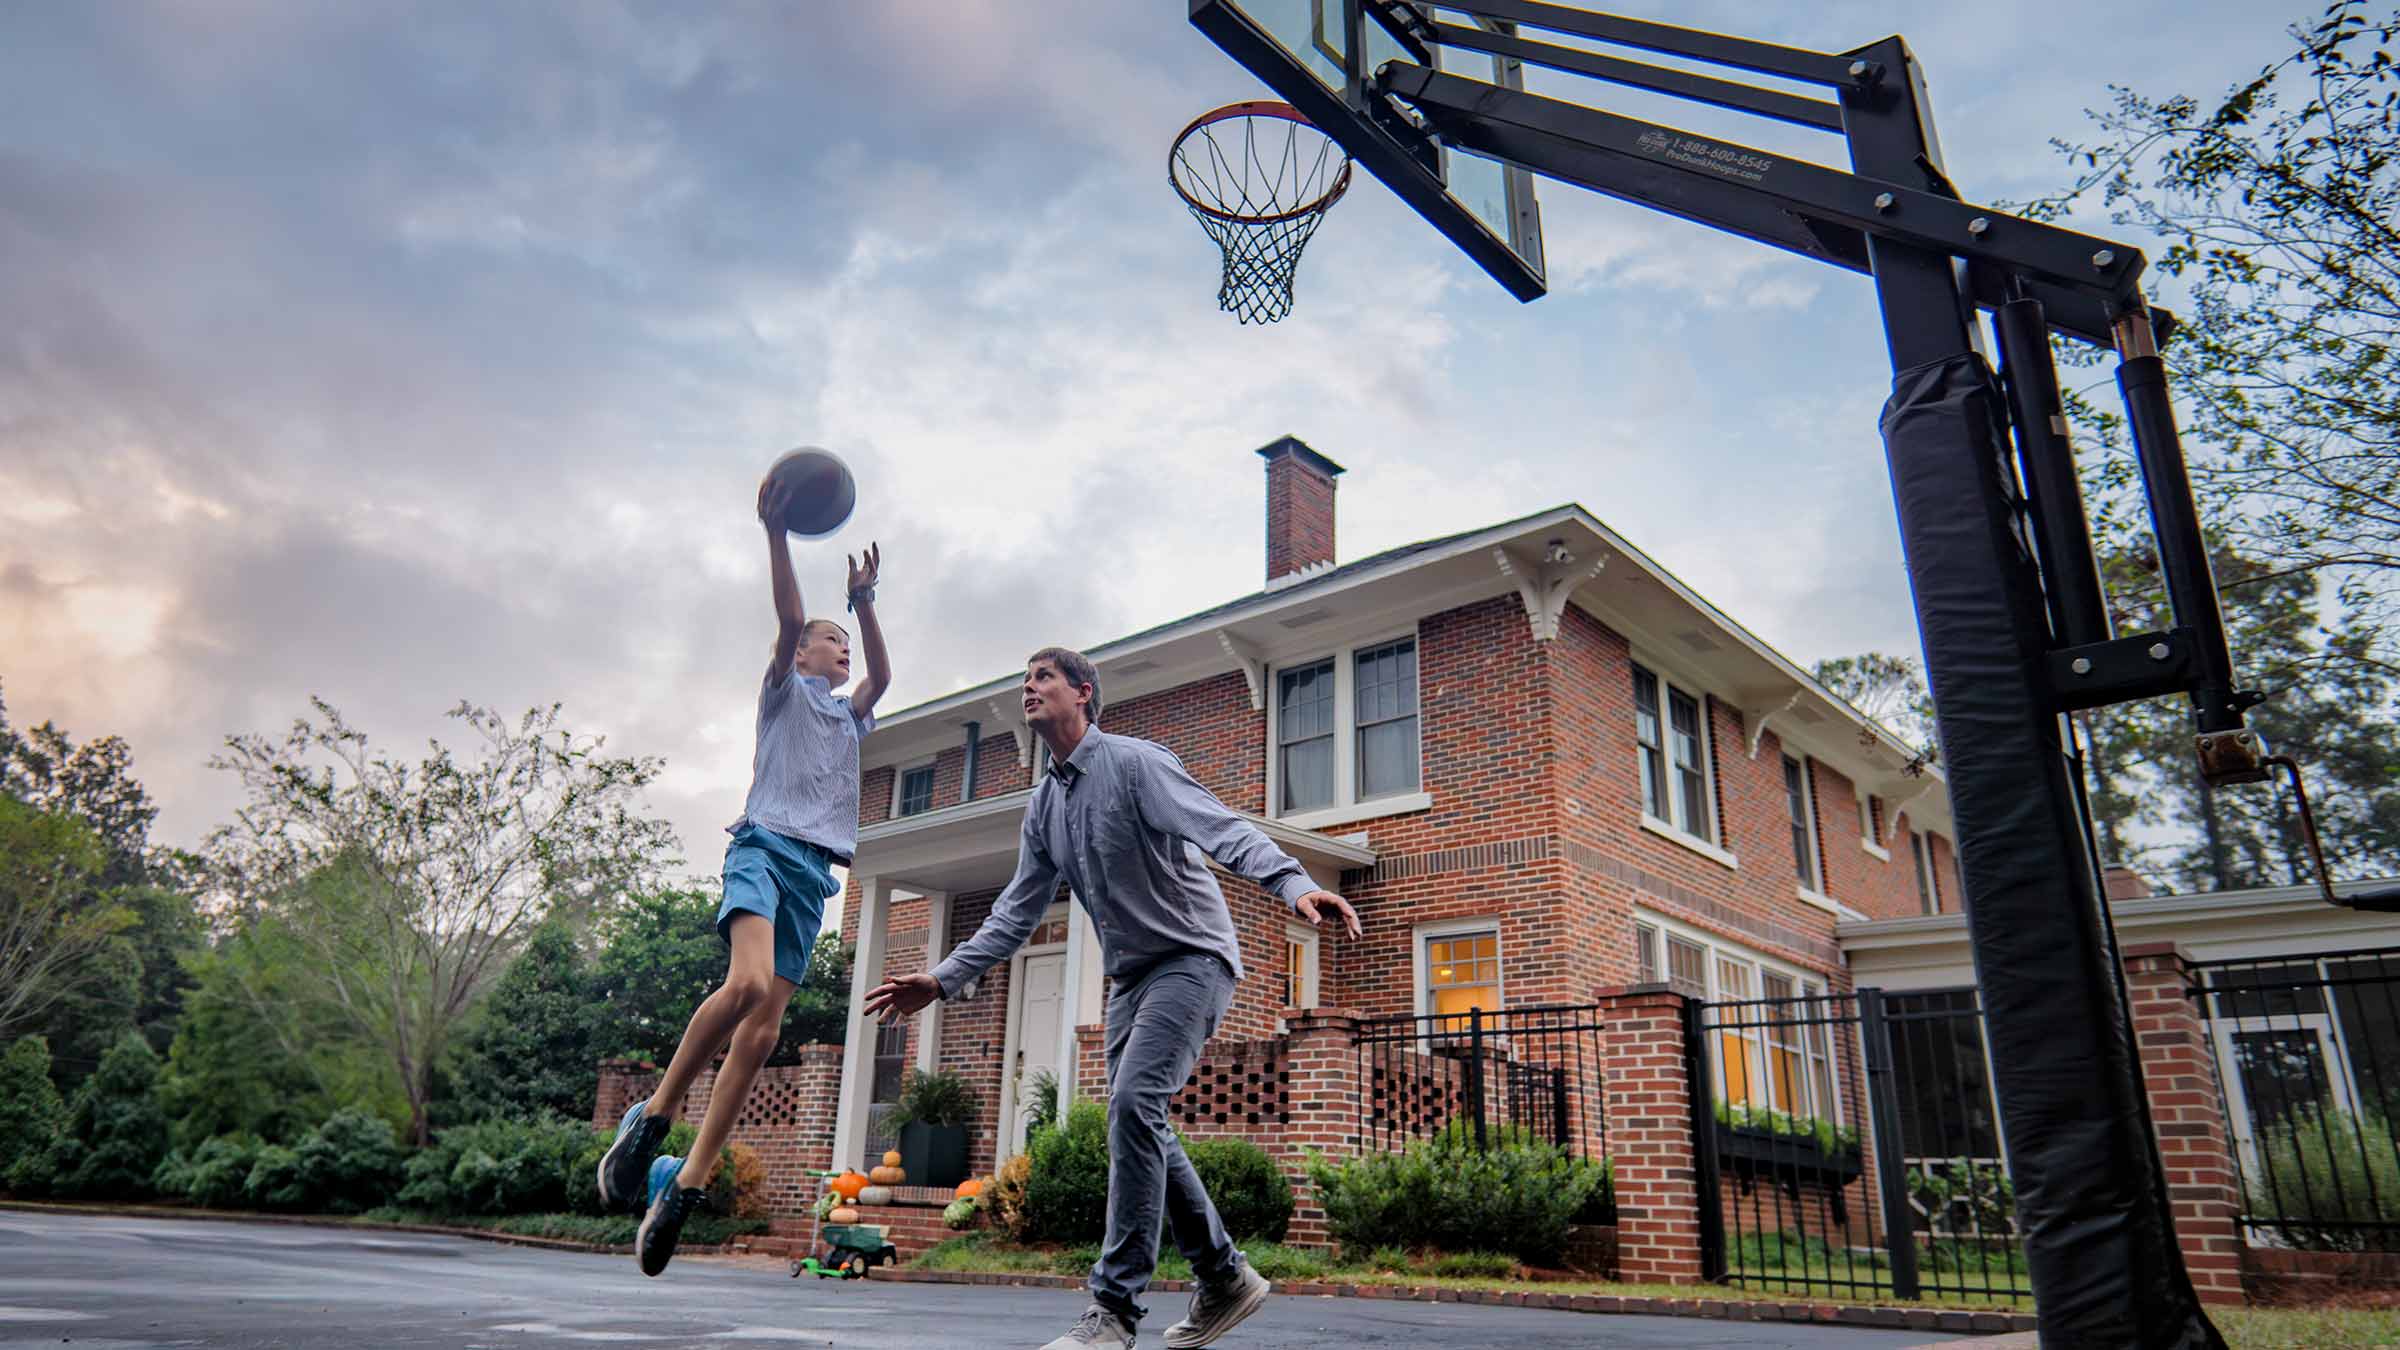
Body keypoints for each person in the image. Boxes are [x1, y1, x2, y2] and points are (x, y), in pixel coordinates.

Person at [866, 647, 1360, 1350]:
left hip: (1191, 957)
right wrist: (942, 979)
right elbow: (1015, 911)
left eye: (1043, 678)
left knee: (1135, 1105)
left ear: (1084, 694)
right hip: (1131, 978)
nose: (1029, 689)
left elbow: (1220, 829)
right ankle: (1224, 1276)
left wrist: (1292, 883)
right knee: (1139, 1118)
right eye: (1024, 680)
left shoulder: (1136, 764)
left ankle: (1115, 1313)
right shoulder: (1044, 806)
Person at [593, 473, 890, 1277]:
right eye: (833, 639)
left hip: (814, 875)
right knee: (749, 986)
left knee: (760, 1035)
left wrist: (864, 602)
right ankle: (652, 1118)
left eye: (844, 643)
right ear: (801, 655)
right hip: (762, 846)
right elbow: (790, 615)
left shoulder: (848, 713)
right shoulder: (782, 692)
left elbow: (884, 680)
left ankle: (683, 1186)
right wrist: (778, 534)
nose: (843, 650)